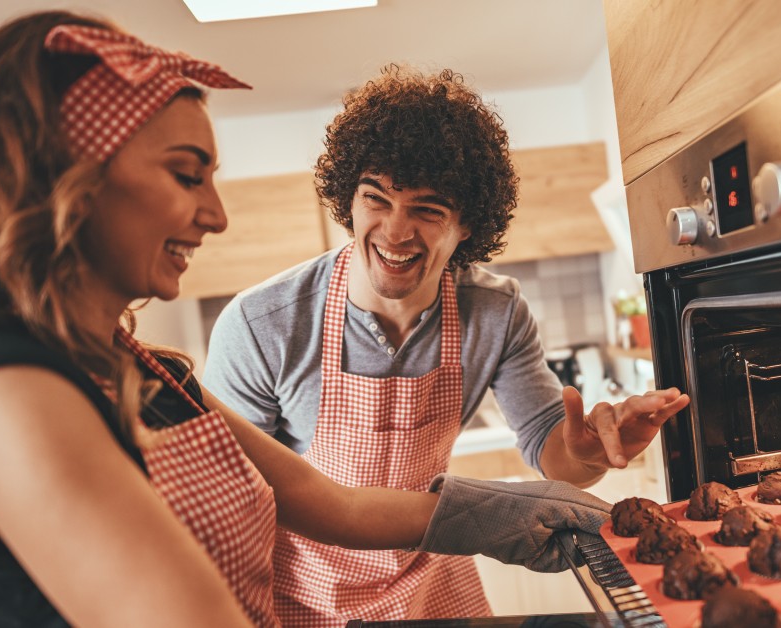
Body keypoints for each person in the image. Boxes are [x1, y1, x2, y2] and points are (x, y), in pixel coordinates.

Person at [0, 12, 613, 627]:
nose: (217, 216)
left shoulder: (137, 367)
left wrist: (502, 515)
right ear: (66, 177)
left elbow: (334, 505)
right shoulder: (11, 393)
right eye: (186, 174)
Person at [203, 65, 691, 624]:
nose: (394, 231)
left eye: (427, 210)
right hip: (305, 596)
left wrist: (583, 456)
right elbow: (236, 502)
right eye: (376, 199)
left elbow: (548, 449)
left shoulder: (496, 313)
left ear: (467, 226)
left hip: (429, 583)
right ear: (348, 201)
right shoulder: (262, 323)